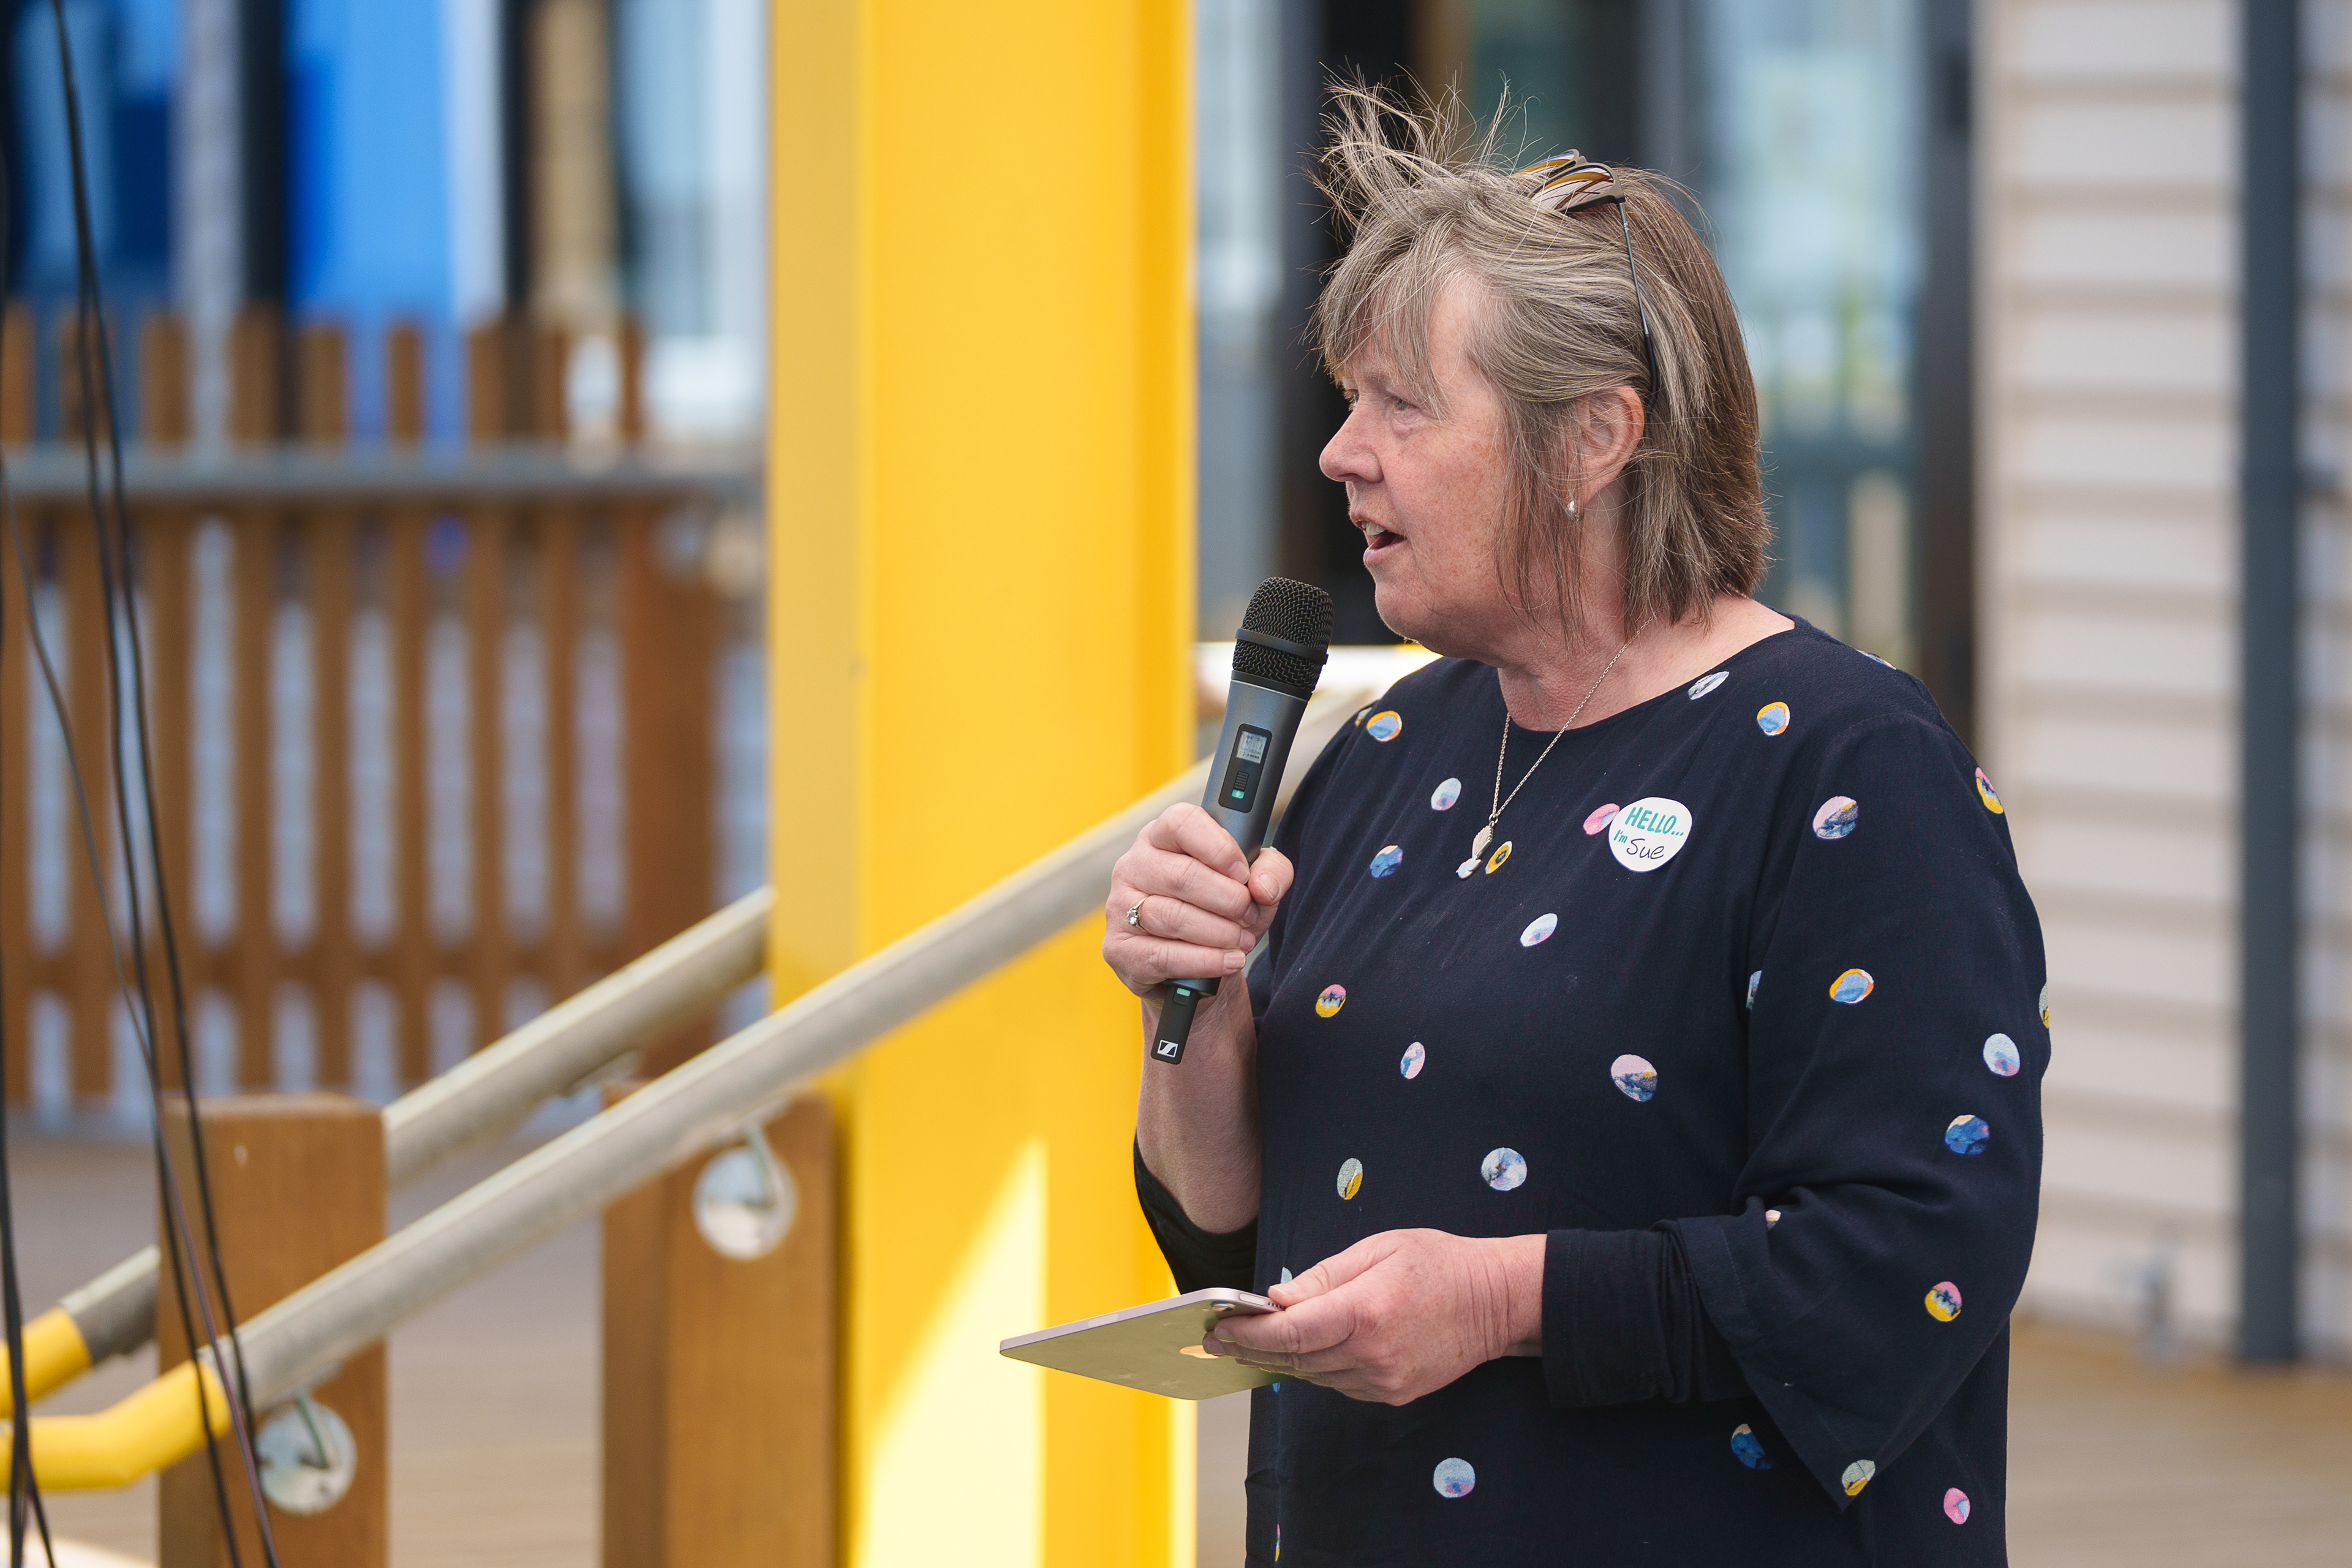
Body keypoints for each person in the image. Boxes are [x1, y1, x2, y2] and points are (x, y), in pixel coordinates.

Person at [1101, 88, 2044, 1566]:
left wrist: (1499, 1299)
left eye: (1402, 404)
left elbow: (1908, 1259)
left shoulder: (1850, 766)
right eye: (1348, 401)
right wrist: (1201, 1014)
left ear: (1593, 439)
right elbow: (1237, 1232)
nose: (1341, 452)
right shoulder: (1390, 746)